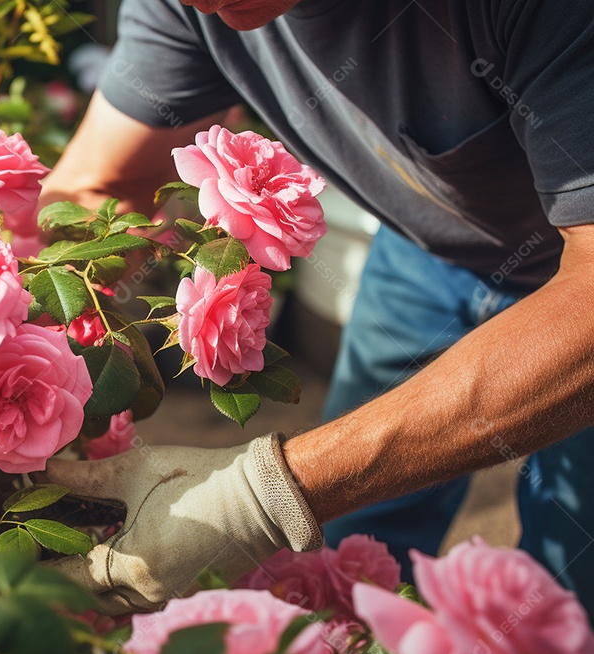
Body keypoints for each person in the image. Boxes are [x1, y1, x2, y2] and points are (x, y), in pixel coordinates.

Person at [40, 0, 594, 616]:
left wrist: (265, 493)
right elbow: (103, 184)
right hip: (423, 250)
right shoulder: (190, 9)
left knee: (569, 583)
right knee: (355, 547)